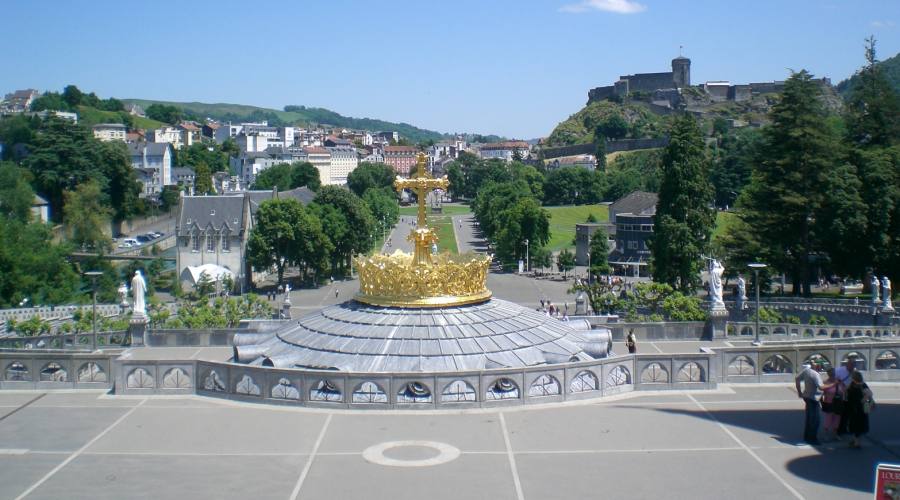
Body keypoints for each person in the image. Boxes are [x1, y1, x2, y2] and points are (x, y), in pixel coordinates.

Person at [795, 363, 823, 445]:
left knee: (809, 418)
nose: (820, 367)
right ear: (817, 366)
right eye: (819, 365)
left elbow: (797, 378)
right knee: (815, 420)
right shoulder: (815, 374)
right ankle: (812, 438)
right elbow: (821, 387)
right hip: (814, 398)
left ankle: (807, 436)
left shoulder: (807, 371)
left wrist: (799, 391)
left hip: (807, 396)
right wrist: (833, 384)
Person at [846, 371, 875, 448]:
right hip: (864, 407)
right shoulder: (863, 385)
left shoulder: (853, 386)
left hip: (855, 408)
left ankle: (856, 443)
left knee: (855, 425)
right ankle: (856, 440)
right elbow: (870, 394)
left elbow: (849, 396)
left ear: (854, 378)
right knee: (861, 424)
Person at [835, 355, 857, 436]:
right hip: (840, 395)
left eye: (853, 365)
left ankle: (845, 428)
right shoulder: (839, 370)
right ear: (847, 364)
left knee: (848, 414)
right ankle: (838, 429)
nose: (852, 367)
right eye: (850, 365)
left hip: (850, 396)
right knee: (840, 413)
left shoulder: (855, 372)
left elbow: (859, 382)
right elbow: (832, 380)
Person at [819, 368, 841, 441]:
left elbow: (844, 390)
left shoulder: (839, 381)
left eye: (833, 374)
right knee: (828, 419)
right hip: (829, 402)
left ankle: (835, 434)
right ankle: (826, 434)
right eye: (831, 374)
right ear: (829, 374)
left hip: (838, 402)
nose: (832, 376)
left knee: (837, 419)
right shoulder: (825, 382)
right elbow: (821, 390)